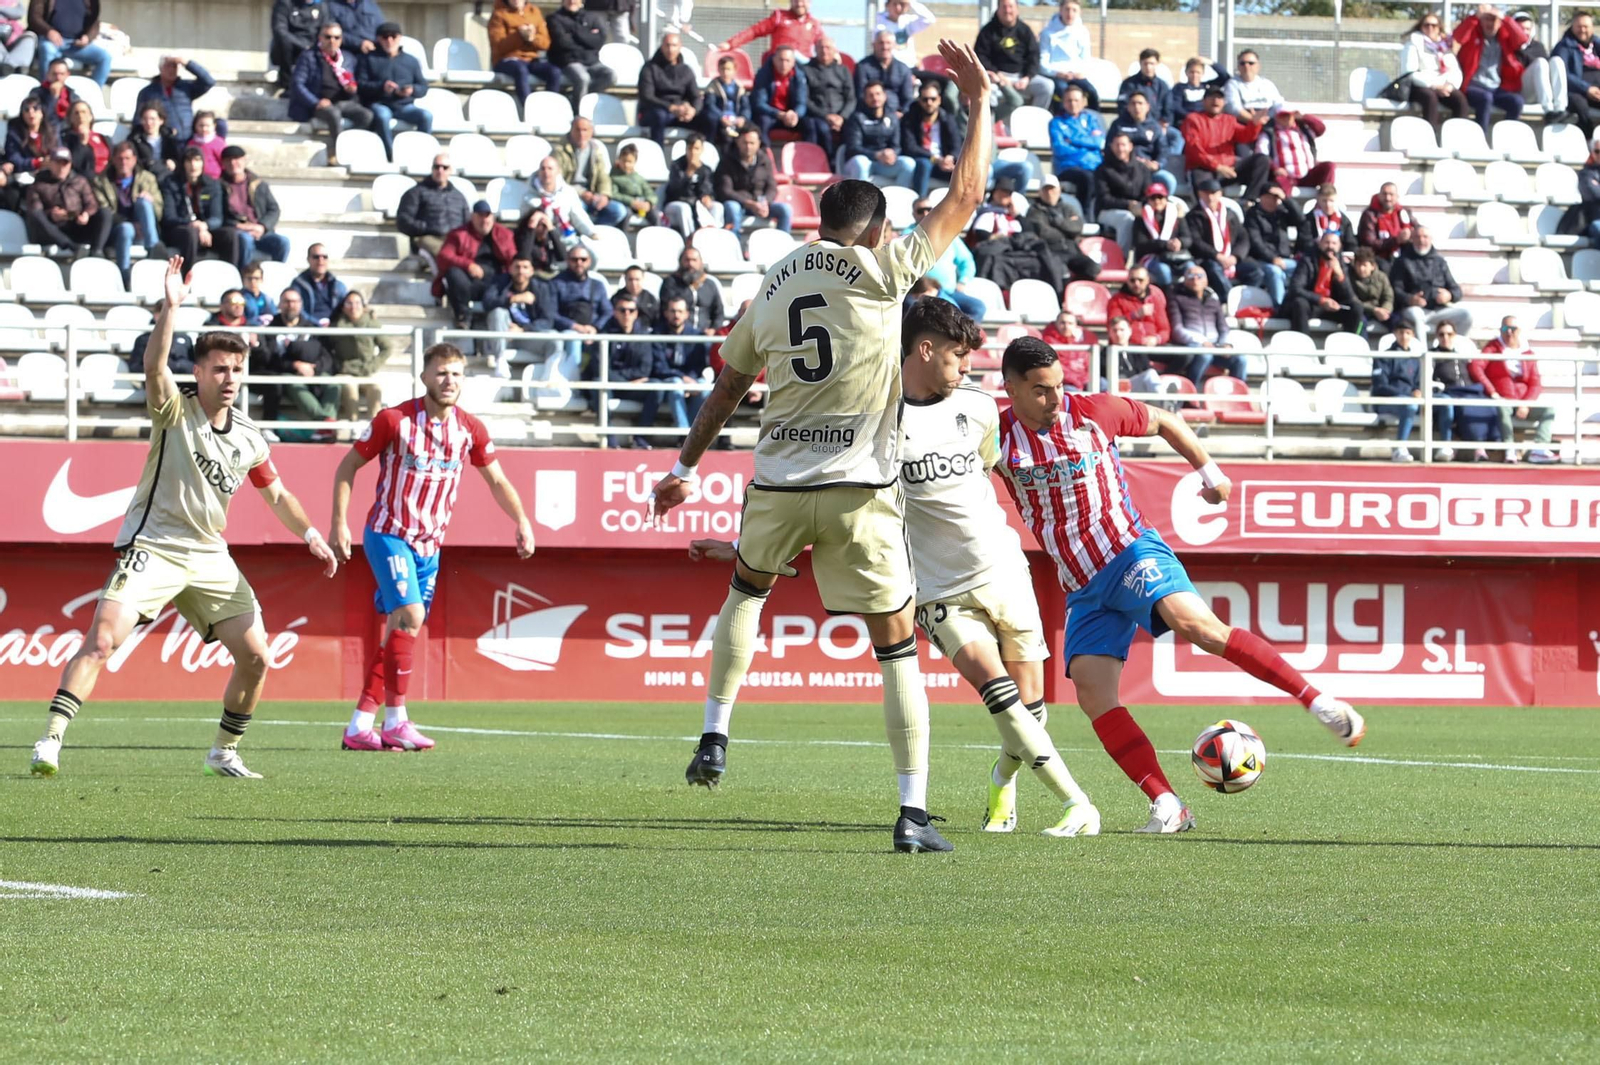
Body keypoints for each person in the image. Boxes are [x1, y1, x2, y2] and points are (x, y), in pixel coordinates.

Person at [650, 39, 997, 854]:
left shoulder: (771, 285)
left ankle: (715, 732)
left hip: (777, 485)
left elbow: (727, 389)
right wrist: (980, 103)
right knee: (896, 645)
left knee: (746, 592)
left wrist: (683, 468)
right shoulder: (883, 271)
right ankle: (912, 813)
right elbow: (968, 193)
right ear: (872, 230)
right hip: (860, 489)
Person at [691, 300, 1104, 835]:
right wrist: (746, 546)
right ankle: (1078, 803)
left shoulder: (978, 407)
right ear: (925, 350)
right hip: (935, 588)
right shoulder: (876, 418)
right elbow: (832, 508)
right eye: (958, 356)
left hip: (1004, 568)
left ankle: (1003, 779)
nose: (967, 368)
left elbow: (984, 471)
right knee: (995, 688)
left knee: (1031, 709)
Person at [993, 335, 1366, 832]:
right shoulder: (994, 436)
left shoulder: (1094, 413)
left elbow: (1166, 421)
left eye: (1059, 385)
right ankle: (1167, 803)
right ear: (1011, 388)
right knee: (1092, 694)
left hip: (1129, 549)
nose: (1054, 398)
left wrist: (1210, 472)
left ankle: (1318, 702)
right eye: (1040, 390)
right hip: (1082, 583)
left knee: (1198, 627)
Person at [29, 258, 336, 780]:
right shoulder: (175, 409)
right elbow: (154, 368)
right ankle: (51, 739)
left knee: (257, 657)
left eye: (236, 369)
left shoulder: (249, 437)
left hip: (209, 554)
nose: (229, 378)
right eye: (219, 368)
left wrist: (309, 532)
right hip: (155, 544)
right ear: (198, 372)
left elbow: (277, 493)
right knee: (102, 641)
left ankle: (223, 751)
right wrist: (170, 309)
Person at [330, 343, 535, 753]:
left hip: (430, 546)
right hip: (389, 533)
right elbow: (348, 466)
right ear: (424, 377)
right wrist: (339, 522)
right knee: (411, 614)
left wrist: (522, 520)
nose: (448, 381)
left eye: (456, 374)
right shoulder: (394, 420)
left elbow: (496, 479)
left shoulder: (470, 429)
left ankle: (360, 725)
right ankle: (397, 721)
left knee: (402, 629)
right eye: (441, 373)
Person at [289, 22, 375, 169]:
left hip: (342, 102)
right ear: (320, 38)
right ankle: (336, 152)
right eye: (328, 37)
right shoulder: (308, 57)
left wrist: (352, 88)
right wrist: (315, 102)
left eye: (336, 37)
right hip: (317, 104)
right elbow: (297, 84)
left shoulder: (347, 58)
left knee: (367, 116)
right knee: (334, 114)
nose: (332, 41)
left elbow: (354, 80)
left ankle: (350, 146)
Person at [1475, 315, 1557, 462]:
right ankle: (1509, 449)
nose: (1509, 332)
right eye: (1505, 328)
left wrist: (1525, 404)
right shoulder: (1493, 348)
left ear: (1519, 331)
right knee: (1501, 408)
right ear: (1500, 330)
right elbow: (1476, 367)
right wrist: (1492, 391)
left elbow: (1535, 383)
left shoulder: (1527, 353)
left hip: (1523, 400)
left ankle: (1539, 449)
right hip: (1503, 399)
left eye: (1513, 329)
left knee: (1549, 410)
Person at [257, 285, 338, 429]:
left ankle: (326, 425)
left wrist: (314, 368)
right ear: (280, 304)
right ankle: (325, 423)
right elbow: (269, 359)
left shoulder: (312, 328)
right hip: (287, 373)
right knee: (292, 382)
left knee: (334, 384)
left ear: (301, 304)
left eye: (295, 301)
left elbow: (326, 356)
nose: (291, 305)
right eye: (287, 301)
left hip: (314, 371)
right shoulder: (270, 329)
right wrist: (294, 365)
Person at [585, 290, 653, 446]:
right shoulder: (604, 334)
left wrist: (625, 380)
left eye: (631, 310)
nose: (627, 314)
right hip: (612, 384)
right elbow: (599, 368)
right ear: (615, 312)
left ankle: (640, 438)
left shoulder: (643, 336)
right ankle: (609, 439)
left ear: (636, 313)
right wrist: (626, 382)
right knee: (598, 384)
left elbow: (644, 369)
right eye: (622, 310)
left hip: (631, 385)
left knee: (657, 388)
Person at [435, 199, 516, 329]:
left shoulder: (505, 234)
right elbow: (444, 256)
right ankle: (463, 317)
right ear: (472, 217)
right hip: (469, 283)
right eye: (480, 216)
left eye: (487, 216)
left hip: (496, 283)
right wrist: (468, 265)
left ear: (493, 217)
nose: (484, 220)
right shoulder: (459, 234)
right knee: (453, 273)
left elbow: (514, 258)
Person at [639, 295, 710, 440]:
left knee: (704, 388)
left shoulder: (697, 336)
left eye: (680, 311)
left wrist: (690, 381)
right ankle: (684, 435)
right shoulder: (657, 335)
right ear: (666, 313)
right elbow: (659, 367)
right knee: (676, 385)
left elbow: (699, 365)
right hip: (668, 381)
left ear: (687, 314)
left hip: (691, 380)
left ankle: (693, 434)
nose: (676, 315)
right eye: (672, 311)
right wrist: (682, 378)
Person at [1182, 87, 1269, 205]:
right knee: (1205, 188)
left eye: (1219, 98)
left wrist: (1254, 124)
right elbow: (1194, 150)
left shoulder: (1229, 120)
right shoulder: (1193, 119)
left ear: (1224, 102)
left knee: (1262, 160)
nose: (1215, 100)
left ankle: (1248, 201)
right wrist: (1217, 166)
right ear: (1203, 101)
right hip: (1203, 168)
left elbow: (1245, 136)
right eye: (1211, 97)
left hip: (1229, 169)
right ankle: (1204, 211)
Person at [357, 21, 431, 159]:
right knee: (383, 116)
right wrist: (382, 87)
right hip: (379, 103)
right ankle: (390, 155)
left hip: (404, 105)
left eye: (393, 36)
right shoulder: (368, 59)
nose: (389, 40)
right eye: (385, 37)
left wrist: (412, 90)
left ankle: (421, 154)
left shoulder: (411, 61)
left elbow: (423, 86)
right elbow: (361, 85)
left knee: (426, 116)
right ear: (378, 39)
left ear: (400, 37)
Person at [24, 144, 110, 255]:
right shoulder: (39, 184)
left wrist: (86, 214)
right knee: (36, 215)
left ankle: (97, 251)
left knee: (105, 212)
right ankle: (70, 246)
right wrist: (51, 214)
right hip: (53, 229)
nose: (61, 167)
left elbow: (91, 203)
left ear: (70, 165)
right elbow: (34, 210)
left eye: (65, 163)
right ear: (50, 163)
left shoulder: (80, 181)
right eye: (57, 163)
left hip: (76, 224)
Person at [1165, 262, 1245, 383]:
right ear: (1185, 280)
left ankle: (1238, 392)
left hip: (1215, 346)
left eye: (1199, 276)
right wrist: (1202, 341)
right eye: (1191, 276)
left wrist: (1224, 343)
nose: (1195, 279)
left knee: (1240, 360)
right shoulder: (1177, 299)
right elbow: (1177, 330)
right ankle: (1191, 391)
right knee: (1205, 356)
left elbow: (1223, 328)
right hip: (1192, 345)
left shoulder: (1213, 300)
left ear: (1206, 281)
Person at [1455, 3, 1527, 131]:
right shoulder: (1474, 33)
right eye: (1486, 19)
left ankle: (1506, 138)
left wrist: (1505, 18)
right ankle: (1480, 138)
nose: (1490, 23)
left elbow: (1522, 39)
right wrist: (1474, 17)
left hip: (1496, 87)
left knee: (1517, 101)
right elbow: (1458, 37)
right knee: (1485, 98)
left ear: (1500, 23)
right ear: (1481, 21)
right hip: (1473, 86)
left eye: (1494, 20)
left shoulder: (1504, 37)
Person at [1186, 178, 1264, 297]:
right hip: (1208, 258)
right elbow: (1196, 241)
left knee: (1256, 271)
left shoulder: (1230, 214)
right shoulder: (1194, 216)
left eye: (1214, 193)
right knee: (1214, 270)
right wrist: (1217, 256)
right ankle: (1229, 299)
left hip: (1231, 256)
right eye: (1206, 193)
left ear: (1220, 194)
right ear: (1200, 194)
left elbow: (1243, 237)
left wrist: (1236, 256)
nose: (1210, 197)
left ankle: (1245, 299)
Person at [976, 0, 1052, 121]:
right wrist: (997, 74)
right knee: (988, 92)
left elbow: (1034, 56)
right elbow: (981, 56)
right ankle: (991, 125)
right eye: (1004, 7)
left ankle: (1034, 122)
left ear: (1017, 9)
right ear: (998, 9)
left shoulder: (1025, 30)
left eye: (1011, 7)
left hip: (1021, 78)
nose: (1007, 10)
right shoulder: (987, 31)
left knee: (1046, 86)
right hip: (997, 78)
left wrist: (1027, 77)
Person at [483, 255, 557, 378]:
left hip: (528, 337)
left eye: (525, 267)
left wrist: (523, 329)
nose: (521, 271)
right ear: (510, 269)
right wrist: (512, 299)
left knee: (555, 338)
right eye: (517, 267)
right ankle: (500, 360)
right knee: (498, 312)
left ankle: (549, 376)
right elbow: (487, 303)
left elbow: (548, 320)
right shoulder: (500, 282)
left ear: (531, 270)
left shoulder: (541, 288)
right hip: (504, 337)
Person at [95, 143, 161, 279]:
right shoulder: (101, 181)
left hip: (144, 228)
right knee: (127, 229)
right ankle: (124, 275)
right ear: (113, 159)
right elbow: (104, 211)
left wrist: (151, 202)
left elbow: (159, 211)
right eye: (120, 158)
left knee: (144, 202)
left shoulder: (148, 179)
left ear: (134, 159)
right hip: (116, 228)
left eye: (127, 158)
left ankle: (153, 248)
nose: (123, 162)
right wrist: (131, 224)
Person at [548, 242, 612, 381]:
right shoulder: (556, 283)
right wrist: (576, 327)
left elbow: (607, 312)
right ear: (568, 261)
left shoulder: (597, 285)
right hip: (569, 331)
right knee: (573, 338)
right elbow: (551, 313)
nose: (579, 263)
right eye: (574, 259)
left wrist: (594, 328)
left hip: (593, 332)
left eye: (583, 259)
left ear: (589, 262)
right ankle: (574, 382)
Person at [1391, 226, 1471, 336]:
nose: (1421, 240)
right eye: (1417, 237)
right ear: (1412, 239)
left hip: (1439, 310)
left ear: (1431, 239)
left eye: (1425, 237)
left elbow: (1456, 290)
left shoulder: (1440, 262)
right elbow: (1395, 290)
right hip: (1414, 309)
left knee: (1466, 316)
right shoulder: (1402, 261)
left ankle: (1451, 345)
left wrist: (1449, 295)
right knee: (1416, 316)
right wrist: (1410, 299)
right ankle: (1422, 348)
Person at [218, 145, 289, 267]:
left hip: (261, 231)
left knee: (283, 242)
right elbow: (218, 214)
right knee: (245, 240)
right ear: (223, 163)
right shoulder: (218, 186)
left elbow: (274, 209)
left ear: (244, 160)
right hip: (237, 232)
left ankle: (277, 274)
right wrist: (241, 226)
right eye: (229, 160)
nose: (233, 163)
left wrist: (262, 226)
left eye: (237, 159)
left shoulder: (258, 184)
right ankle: (244, 275)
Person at [159, 147, 231, 266]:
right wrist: (193, 224)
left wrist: (204, 226)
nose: (193, 165)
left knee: (230, 235)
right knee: (191, 233)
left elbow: (217, 217)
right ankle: (188, 273)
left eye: (197, 160)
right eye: (189, 160)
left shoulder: (212, 184)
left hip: (206, 229)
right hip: (181, 229)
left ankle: (232, 273)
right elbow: (169, 217)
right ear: (183, 163)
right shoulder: (171, 183)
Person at [1021, 173, 1099, 282]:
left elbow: (1077, 227)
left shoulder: (1068, 208)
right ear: (1040, 192)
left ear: (1059, 190)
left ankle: (1075, 287)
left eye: (1052, 189)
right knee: (1062, 274)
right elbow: (1044, 233)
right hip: (1051, 252)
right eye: (1046, 190)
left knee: (1092, 268)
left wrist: (1059, 223)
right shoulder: (1034, 211)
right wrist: (1067, 232)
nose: (1049, 193)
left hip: (1072, 250)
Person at [1402, 12, 1470, 132]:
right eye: (1426, 25)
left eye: (1434, 25)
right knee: (1430, 98)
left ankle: (1457, 136)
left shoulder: (1445, 46)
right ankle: (1430, 136)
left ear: (1439, 28)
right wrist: (1434, 86)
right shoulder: (1413, 43)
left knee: (1460, 100)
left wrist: (1450, 85)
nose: (1430, 28)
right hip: (1419, 86)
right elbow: (1410, 72)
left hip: (1443, 85)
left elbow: (1455, 70)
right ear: (1421, 27)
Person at [553, 117, 626, 228]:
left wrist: (604, 195)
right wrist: (581, 193)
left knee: (619, 211)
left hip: (593, 195)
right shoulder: (560, 151)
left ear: (591, 132)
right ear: (571, 130)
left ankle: (594, 231)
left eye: (585, 130)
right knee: (578, 210)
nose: (581, 134)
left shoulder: (595, 149)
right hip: (570, 196)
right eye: (578, 130)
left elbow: (603, 176)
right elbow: (557, 180)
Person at [487, 0, 561, 107]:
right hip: (507, 59)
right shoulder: (499, 14)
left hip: (531, 59)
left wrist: (532, 38)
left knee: (554, 71)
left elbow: (545, 44)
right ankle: (528, 107)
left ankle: (550, 107)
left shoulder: (534, 12)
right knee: (520, 70)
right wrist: (519, 35)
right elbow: (499, 46)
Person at [396, 153, 469, 259]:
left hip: (454, 240)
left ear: (450, 170)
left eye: (444, 167)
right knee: (449, 257)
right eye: (436, 167)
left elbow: (467, 223)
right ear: (432, 169)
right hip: (428, 239)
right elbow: (403, 220)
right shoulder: (416, 193)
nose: (440, 170)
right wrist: (425, 227)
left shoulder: (458, 196)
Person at [716, 127, 790, 232]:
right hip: (740, 203)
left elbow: (772, 186)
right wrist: (749, 203)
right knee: (731, 207)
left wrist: (766, 203)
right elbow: (725, 190)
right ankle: (734, 239)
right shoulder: (727, 161)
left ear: (758, 143)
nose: (748, 147)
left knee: (785, 209)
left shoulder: (764, 160)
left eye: (752, 143)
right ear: (738, 142)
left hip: (760, 202)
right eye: (745, 143)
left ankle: (784, 240)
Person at [1286, 231, 1361, 334]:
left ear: (1339, 246)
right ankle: (1303, 342)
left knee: (1356, 307)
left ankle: (1348, 341)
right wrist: (1321, 300)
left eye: (1334, 243)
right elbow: (1296, 288)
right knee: (1300, 303)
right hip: (1312, 304)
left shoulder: (1341, 264)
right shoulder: (1307, 261)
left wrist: (1340, 275)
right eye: (1327, 242)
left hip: (1332, 307)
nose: (1330, 246)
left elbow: (1350, 296)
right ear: (1320, 244)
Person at [1429, 319, 1483, 461]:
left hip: (1467, 392)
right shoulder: (1432, 356)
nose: (1445, 338)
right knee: (1461, 407)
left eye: (1449, 334)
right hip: (1448, 393)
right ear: (1437, 336)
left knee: (1486, 405)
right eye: (1441, 334)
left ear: (1455, 335)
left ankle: (1483, 446)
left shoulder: (1460, 356)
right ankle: (1456, 444)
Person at [1372, 320, 1425, 461]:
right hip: (1386, 401)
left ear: (1413, 335)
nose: (1404, 336)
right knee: (1410, 405)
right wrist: (1408, 395)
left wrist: (1418, 391)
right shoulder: (1384, 357)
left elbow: (1418, 383)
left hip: (1410, 400)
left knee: (1443, 404)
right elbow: (1380, 385)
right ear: (1395, 334)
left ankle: (1444, 447)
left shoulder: (1416, 360)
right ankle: (1399, 448)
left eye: (1408, 333)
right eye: (1401, 332)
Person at [136, 55, 217, 145]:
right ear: (160, 68)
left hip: (188, 140)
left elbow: (209, 81)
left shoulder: (185, 88)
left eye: (174, 66)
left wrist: (187, 63)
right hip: (163, 142)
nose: (171, 70)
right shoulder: (148, 92)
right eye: (168, 66)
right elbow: (138, 119)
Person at [842, 81, 911, 186]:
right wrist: (876, 155)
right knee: (861, 162)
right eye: (870, 95)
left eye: (878, 94)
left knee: (908, 163)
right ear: (865, 98)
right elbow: (853, 148)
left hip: (883, 163)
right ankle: (860, 196)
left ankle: (897, 195)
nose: (875, 98)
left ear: (885, 96)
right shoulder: (856, 118)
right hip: (861, 162)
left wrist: (891, 154)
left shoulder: (893, 118)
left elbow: (897, 146)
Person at [1109, 91, 1176, 198]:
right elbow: (1109, 147)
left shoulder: (1155, 127)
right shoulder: (1118, 125)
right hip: (1122, 169)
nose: (1137, 107)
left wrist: (1157, 164)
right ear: (1128, 107)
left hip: (1148, 169)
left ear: (1147, 106)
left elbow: (1163, 150)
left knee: (1168, 179)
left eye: (1140, 103)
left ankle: (1160, 206)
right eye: (1133, 103)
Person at [1049, 85, 1103, 216]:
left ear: (1083, 102)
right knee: (1087, 178)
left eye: (1076, 100)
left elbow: (1099, 142)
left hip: (1094, 164)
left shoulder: (1091, 120)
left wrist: (1074, 140)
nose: (1073, 104)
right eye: (1069, 100)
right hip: (1068, 167)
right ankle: (1085, 216)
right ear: (1064, 102)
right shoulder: (1056, 123)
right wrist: (1087, 149)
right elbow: (1060, 149)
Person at [638, 33, 700, 146]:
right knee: (659, 116)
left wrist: (693, 110)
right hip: (654, 112)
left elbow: (696, 96)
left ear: (680, 47)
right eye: (667, 45)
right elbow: (647, 96)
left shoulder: (686, 70)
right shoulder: (649, 68)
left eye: (674, 45)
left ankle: (701, 154)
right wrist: (671, 107)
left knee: (708, 118)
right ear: (662, 46)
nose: (670, 49)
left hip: (679, 114)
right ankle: (658, 153)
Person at [547, 0, 615, 103]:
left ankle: (576, 98)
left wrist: (574, 34)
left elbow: (599, 41)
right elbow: (563, 43)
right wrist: (588, 36)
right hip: (569, 61)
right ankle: (578, 109)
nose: (572, 1)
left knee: (611, 75)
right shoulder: (555, 18)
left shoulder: (592, 17)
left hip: (592, 61)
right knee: (583, 78)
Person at [1259, 105, 1334, 196]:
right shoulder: (1270, 133)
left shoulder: (1304, 130)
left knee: (1329, 166)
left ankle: (1326, 197)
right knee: (1280, 182)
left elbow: (1321, 128)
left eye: (1288, 116)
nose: (1285, 119)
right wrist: (1275, 169)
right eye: (1282, 116)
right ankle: (1288, 203)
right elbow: (1261, 153)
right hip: (1286, 176)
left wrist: (1304, 117)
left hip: (1308, 175)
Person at [900, 81, 959, 197]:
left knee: (962, 169)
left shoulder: (947, 119)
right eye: (925, 99)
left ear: (939, 100)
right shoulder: (910, 119)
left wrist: (950, 157)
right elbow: (910, 147)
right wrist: (936, 159)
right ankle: (920, 202)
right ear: (919, 101)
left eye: (933, 99)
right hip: (924, 160)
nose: (929, 103)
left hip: (944, 162)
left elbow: (956, 145)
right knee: (924, 164)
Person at [29, 0, 110, 84]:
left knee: (104, 57)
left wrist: (87, 37)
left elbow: (94, 23)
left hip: (75, 44)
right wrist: (48, 31)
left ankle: (95, 90)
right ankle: (47, 89)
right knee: (47, 50)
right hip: (51, 42)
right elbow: (34, 18)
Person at [1241, 183, 1295, 306]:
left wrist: (1286, 199)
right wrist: (1273, 259)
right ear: (1262, 197)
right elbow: (1256, 242)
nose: (1273, 201)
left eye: (1276, 197)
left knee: (1304, 268)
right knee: (1275, 272)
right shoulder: (1253, 215)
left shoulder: (1282, 213)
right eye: (1269, 197)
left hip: (1285, 259)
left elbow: (1301, 220)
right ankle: (1279, 307)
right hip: (1263, 260)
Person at [718, 0, 822, 62]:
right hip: (777, 66)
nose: (799, 4)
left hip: (802, 68)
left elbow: (825, 45)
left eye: (803, 0)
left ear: (809, 2)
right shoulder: (779, 17)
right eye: (796, 0)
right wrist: (730, 44)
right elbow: (755, 31)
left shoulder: (814, 24)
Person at [659, 133, 721, 237]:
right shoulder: (677, 166)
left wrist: (706, 197)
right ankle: (690, 238)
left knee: (717, 207)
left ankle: (713, 236)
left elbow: (707, 188)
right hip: (676, 203)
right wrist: (689, 173)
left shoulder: (705, 169)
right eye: (690, 148)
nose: (693, 152)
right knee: (685, 208)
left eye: (696, 149)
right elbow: (674, 190)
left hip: (696, 204)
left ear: (701, 150)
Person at [1131, 182, 1190, 288]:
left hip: (1175, 256)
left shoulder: (1177, 215)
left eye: (1160, 197)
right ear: (1148, 200)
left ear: (1166, 199)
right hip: (1151, 256)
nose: (1157, 201)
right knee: (1163, 270)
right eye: (1153, 198)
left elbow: (1187, 238)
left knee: (1192, 268)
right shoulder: (1141, 218)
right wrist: (1165, 245)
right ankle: (1169, 294)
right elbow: (1140, 243)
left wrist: (1180, 243)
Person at [1119, 48, 1177, 155]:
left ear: (1157, 64)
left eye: (1152, 64)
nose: (1148, 67)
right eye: (1145, 64)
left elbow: (1168, 109)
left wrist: (1164, 124)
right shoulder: (1129, 84)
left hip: (1158, 125)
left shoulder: (1162, 86)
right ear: (1140, 64)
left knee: (1176, 137)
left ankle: (1165, 160)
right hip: (1134, 124)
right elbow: (1122, 107)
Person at [800, 36, 854, 151]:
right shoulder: (806, 70)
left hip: (842, 115)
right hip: (817, 115)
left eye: (828, 48)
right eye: (821, 48)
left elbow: (851, 98)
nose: (824, 51)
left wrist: (842, 117)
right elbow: (805, 99)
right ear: (815, 50)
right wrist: (826, 116)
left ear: (834, 51)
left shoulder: (843, 71)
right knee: (821, 129)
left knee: (854, 129)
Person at [1041, 0, 1098, 108]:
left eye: (1074, 10)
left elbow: (1086, 58)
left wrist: (1080, 73)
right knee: (1064, 92)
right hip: (1056, 75)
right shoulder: (1047, 33)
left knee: (1091, 92)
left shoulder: (1083, 32)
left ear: (1079, 12)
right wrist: (1058, 73)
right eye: (1067, 9)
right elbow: (1043, 63)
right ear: (1060, 10)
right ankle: (1061, 117)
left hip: (1076, 74)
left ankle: (1093, 118)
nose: (1070, 14)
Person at [524, 153, 594, 238]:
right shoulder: (529, 196)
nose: (546, 172)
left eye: (550, 168)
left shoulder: (568, 192)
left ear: (557, 171)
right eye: (543, 168)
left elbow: (579, 216)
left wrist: (592, 233)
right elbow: (523, 223)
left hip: (564, 238)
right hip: (539, 240)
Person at [1553, 10, 1600, 135]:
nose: (1582, 30)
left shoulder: (1597, 45)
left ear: (1592, 28)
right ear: (1572, 27)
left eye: (1586, 26)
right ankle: (1588, 139)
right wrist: (1587, 89)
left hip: (1597, 91)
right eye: (1579, 26)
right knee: (1580, 105)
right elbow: (1563, 74)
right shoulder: (1564, 46)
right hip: (1576, 91)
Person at [660, 245, 724, 333]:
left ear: (701, 262)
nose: (691, 264)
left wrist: (713, 329)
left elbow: (718, 313)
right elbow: (666, 312)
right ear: (680, 262)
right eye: (687, 260)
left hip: (705, 335)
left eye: (694, 260)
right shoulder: (670, 283)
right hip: (679, 334)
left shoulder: (710, 285)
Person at [752, 46, 809, 142]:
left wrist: (795, 114)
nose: (783, 64)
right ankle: (765, 150)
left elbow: (802, 102)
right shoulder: (763, 75)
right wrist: (779, 114)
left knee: (809, 124)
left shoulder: (799, 77)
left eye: (787, 61)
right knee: (762, 122)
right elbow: (759, 103)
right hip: (771, 114)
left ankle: (808, 151)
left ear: (793, 62)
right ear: (774, 60)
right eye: (781, 60)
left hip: (790, 115)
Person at [856, 29, 916, 116]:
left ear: (894, 45)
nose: (885, 47)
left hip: (897, 116)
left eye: (888, 43)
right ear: (874, 45)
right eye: (881, 43)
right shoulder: (863, 67)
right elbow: (861, 95)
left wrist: (903, 113)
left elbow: (908, 98)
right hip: (869, 115)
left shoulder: (903, 69)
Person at [1107, 266, 1171, 346]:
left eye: (1140, 280)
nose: (1136, 284)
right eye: (1132, 280)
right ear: (1127, 281)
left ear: (1147, 280)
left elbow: (1165, 330)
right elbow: (1113, 325)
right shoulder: (1117, 300)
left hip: (1153, 346)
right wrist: (1135, 315)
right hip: (1128, 345)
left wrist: (1156, 339)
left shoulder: (1155, 299)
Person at [1357, 181, 1415, 269]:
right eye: (1384, 194)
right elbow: (1369, 243)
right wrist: (1396, 240)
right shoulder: (1369, 215)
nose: (1388, 198)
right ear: (1379, 196)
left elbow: (1418, 229)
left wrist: (1410, 234)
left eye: (1391, 194)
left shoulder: (1403, 212)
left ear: (1397, 196)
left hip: (1402, 255)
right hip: (1379, 259)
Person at [271, 0, 325, 92]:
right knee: (284, 43)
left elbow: (325, 27)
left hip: (313, 44)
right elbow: (279, 29)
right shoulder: (285, 4)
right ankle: (286, 85)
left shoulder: (321, 6)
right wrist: (302, 45)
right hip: (291, 46)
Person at [291, 241, 349, 324]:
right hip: (307, 327)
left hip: (334, 327)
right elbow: (297, 310)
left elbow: (346, 309)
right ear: (308, 260)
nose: (320, 260)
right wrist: (317, 323)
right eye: (316, 257)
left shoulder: (338, 286)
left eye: (324, 257)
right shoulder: (298, 285)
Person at [704, 54, 753, 150]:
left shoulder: (739, 87)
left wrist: (743, 118)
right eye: (722, 69)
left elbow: (746, 106)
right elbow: (710, 105)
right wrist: (721, 117)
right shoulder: (713, 86)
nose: (725, 72)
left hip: (735, 118)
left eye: (728, 69)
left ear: (734, 70)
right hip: (721, 118)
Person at [1094, 131, 1149, 216]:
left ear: (1130, 146)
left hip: (1138, 208)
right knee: (1128, 218)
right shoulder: (1102, 170)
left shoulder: (1142, 168)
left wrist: (1140, 205)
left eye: (1123, 145)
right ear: (1111, 146)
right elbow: (1104, 199)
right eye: (1117, 145)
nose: (1120, 149)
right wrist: (1128, 204)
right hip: (1109, 211)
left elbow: (1147, 192)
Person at [1041, 309, 1096, 391]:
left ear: (1075, 326)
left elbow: (1087, 365)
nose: (1066, 327)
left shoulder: (1079, 342)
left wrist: (1085, 381)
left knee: (1103, 384)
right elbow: (1056, 368)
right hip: (1063, 384)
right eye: (1063, 323)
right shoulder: (1048, 342)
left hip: (1082, 382)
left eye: (1070, 323)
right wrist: (1078, 382)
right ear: (1056, 324)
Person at [1298, 182, 1356, 258]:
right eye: (1324, 201)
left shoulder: (1344, 220)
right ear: (1318, 200)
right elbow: (1305, 242)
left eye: (1331, 201)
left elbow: (1350, 243)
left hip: (1338, 257)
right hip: (1313, 257)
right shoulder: (1309, 219)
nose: (1328, 205)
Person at [1223, 49, 1282, 122]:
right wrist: (1254, 120)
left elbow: (1278, 104)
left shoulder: (1267, 84)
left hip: (1268, 121)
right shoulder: (1232, 84)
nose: (1246, 66)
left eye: (1251, 63)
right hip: (1245, 123)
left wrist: (1266, 118)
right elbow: (1233, 107)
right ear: (1238, 66)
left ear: (1258, 66)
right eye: (1242, 63)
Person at [1105, 314, 1157, 394]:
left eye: (1122, 330)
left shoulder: (1137, 351)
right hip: (1114, 389)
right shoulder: (1104, 354)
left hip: (1135, 387)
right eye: (1115, 330)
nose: (1118, 334)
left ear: (1130, 331)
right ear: (1110, 333)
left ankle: (1164, 400)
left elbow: (1147, 370)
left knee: (1151, 374)